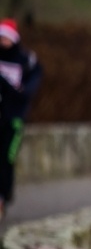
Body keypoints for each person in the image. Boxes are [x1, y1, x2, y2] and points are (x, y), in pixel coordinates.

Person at [0, 19, 43, 221]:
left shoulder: (26, 61)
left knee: (6, 158)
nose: (3, 42)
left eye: (6, 38)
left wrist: (8, 85)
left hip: (14, 119)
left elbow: (26, 92)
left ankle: (4, 196)